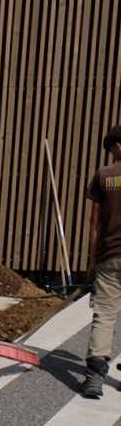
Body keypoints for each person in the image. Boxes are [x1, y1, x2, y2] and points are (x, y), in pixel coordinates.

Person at [82, 125, 121, 398]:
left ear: (117, 146)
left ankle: (95, 377)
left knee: (104, 314)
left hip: (111, 254)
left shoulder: (104, 175)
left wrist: (92, 260)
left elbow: (95, 223)